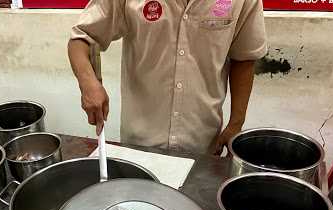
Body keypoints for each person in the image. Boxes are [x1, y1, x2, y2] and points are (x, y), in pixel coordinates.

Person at [68, 0, 267, 155]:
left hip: (202, 144)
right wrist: (89, 84)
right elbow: (81, 38)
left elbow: (244, 57)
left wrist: (235, 124)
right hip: (139, 144)